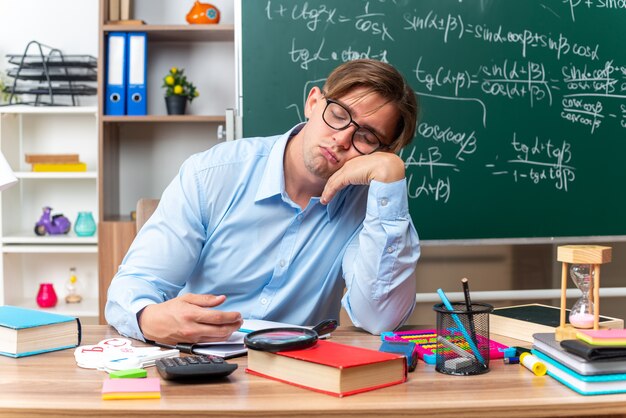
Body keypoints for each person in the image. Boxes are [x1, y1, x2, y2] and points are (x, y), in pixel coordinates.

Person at [105, 59, 420, 345]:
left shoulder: (371, 207)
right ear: (313, 103)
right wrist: (147, 318)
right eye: (338, 115)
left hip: (300, 374)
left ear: (382, 152)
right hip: (201, 364)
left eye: (365, 137)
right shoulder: (211, 175)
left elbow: (381, 318)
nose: (341, 139)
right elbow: (132, 286)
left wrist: (391, 181)